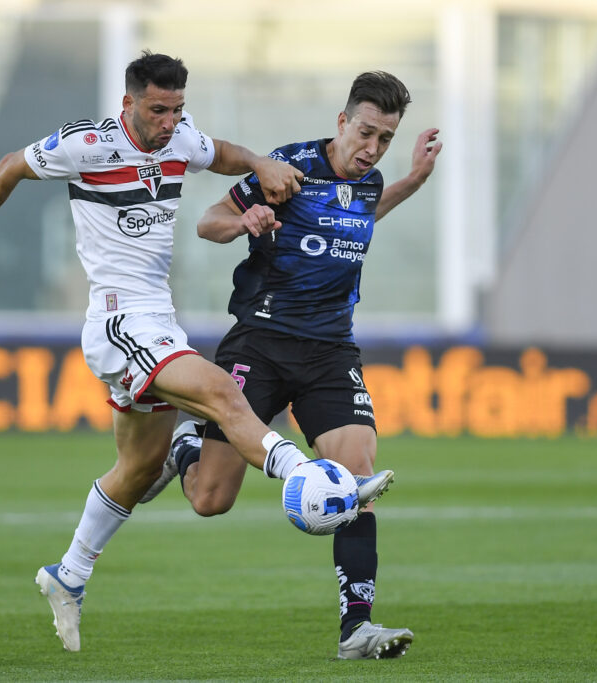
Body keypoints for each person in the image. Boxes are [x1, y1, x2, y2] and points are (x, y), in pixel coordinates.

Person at [0, 51, 396, 653]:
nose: (170, 123)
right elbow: (10, 166)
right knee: (221, 392)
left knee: (138, 470)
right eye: (159, 110)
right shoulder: (87, 144)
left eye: (178, 110)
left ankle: (68, 574)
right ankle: (312, 479)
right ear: (129, 103)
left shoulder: (180, 137)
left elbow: (223, 152)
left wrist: (260, 161)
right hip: (118, 320)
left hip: (160, 321)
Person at [147, 71, 442, 660]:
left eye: (385, 139)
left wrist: (411, 180)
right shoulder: (288, 168)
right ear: (342, 121)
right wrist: (245, 222)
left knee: (357, 480)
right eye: (365, 132)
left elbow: (363, 213)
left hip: (330, 350)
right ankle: (186, 449)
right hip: (260, 344)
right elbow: (208, 222)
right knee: (211, 499)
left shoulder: (369, 181)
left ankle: (356, 629)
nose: (372, 148)